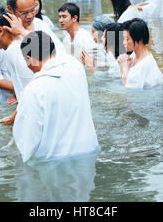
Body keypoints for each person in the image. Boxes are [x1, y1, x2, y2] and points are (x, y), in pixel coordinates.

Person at [13, 31, 99, 162]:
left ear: (31, 59)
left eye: (26, 60)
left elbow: (27, 142)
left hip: (52, 164)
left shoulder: (34, 89)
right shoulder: (76, 67)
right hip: (88, 154)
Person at [117, 18, 163, 88]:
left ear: (139, 39)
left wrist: (124, 70)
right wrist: (124, 66)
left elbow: (129, 93)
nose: (123, 42)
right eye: (123, 39)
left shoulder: (144, 64)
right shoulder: (135, 55)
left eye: (127, 39)